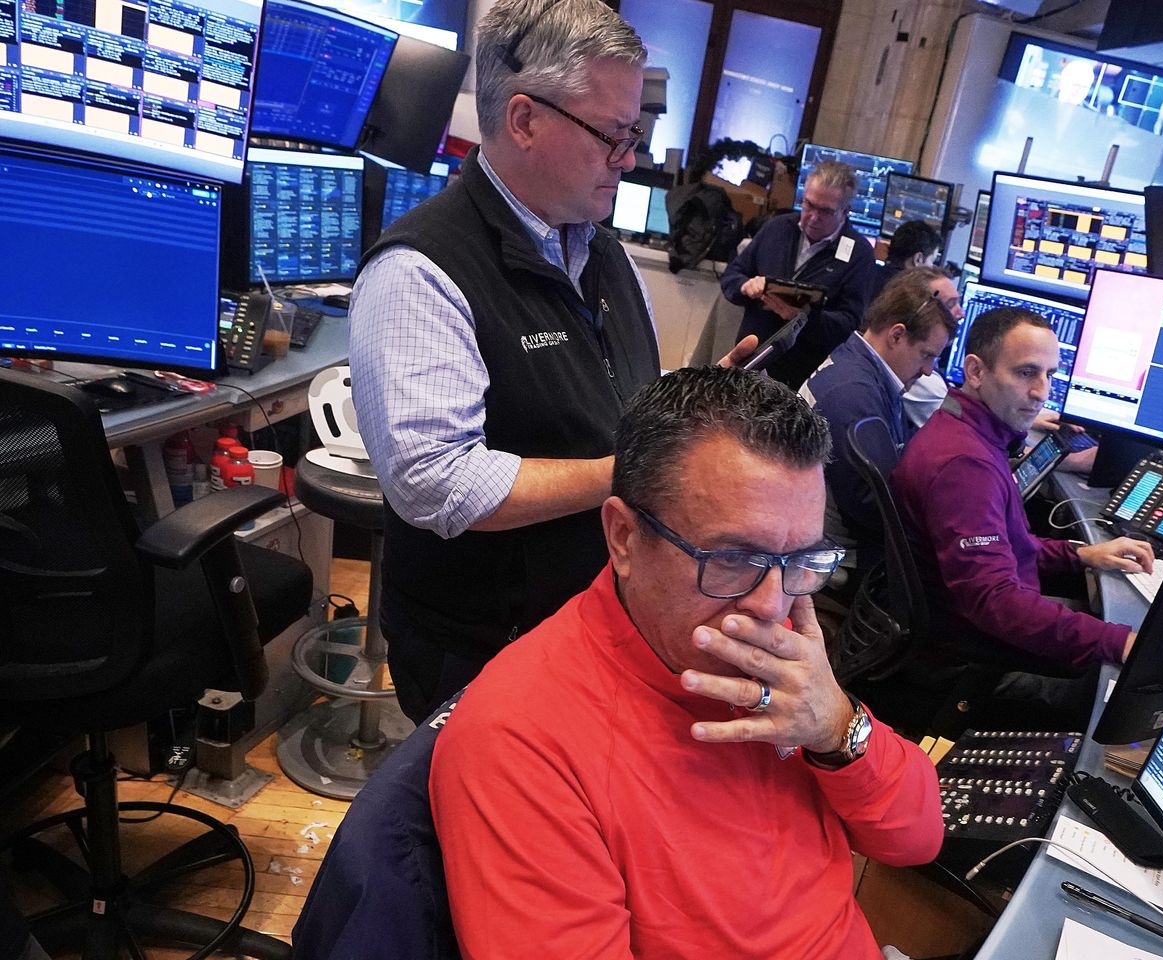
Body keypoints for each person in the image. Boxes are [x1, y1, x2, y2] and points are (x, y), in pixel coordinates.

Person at [430, 367, 943, 957]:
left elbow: (917, 838)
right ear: (623, 537)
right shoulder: (519, 740)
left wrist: (836, 729)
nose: (772, 605)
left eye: (801, 560)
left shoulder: (783, 663)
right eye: (733, 558)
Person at [348, 0, 749, 723]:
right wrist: (633, 471)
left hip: (587, 629)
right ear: (525, 120)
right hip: (484, 653)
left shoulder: (603, 254)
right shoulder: (421, 269)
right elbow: (438, 484)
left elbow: (612, 400)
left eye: (634, 135)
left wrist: (687, 414)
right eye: (612, 135)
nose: (629, 158)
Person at [891, 307, 1154, 676]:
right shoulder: (965, 466)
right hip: (974, 658)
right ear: (976, 371)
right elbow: (995, 602)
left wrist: (1080, 554)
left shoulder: (964, 429)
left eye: (1050, 375)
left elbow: (1005, 546)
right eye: (1026, 372)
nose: (1041, 392)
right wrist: (1120, 642)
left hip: (969, 629)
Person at [800, 267, 959, 574]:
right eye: (926, 355)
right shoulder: (854, 396)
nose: (928, 370)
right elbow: (880, 509)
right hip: (844, 555)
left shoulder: (856, 363)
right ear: (897, 335)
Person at [719, 160, 875, 389]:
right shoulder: (778, 228)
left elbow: (849, 325)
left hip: (803, 377)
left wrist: (802, 318)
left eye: (825, 211)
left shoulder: (859, 253)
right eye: (809, 205)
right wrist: (746, 286)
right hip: (750, 361)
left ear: (845, 211)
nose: (813, 217)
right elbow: (732, 275)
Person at [873, 219, 942, 292]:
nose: (932, 267)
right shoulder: (908, 295)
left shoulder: (870, 273)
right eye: (932, 261)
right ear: (918, 259)